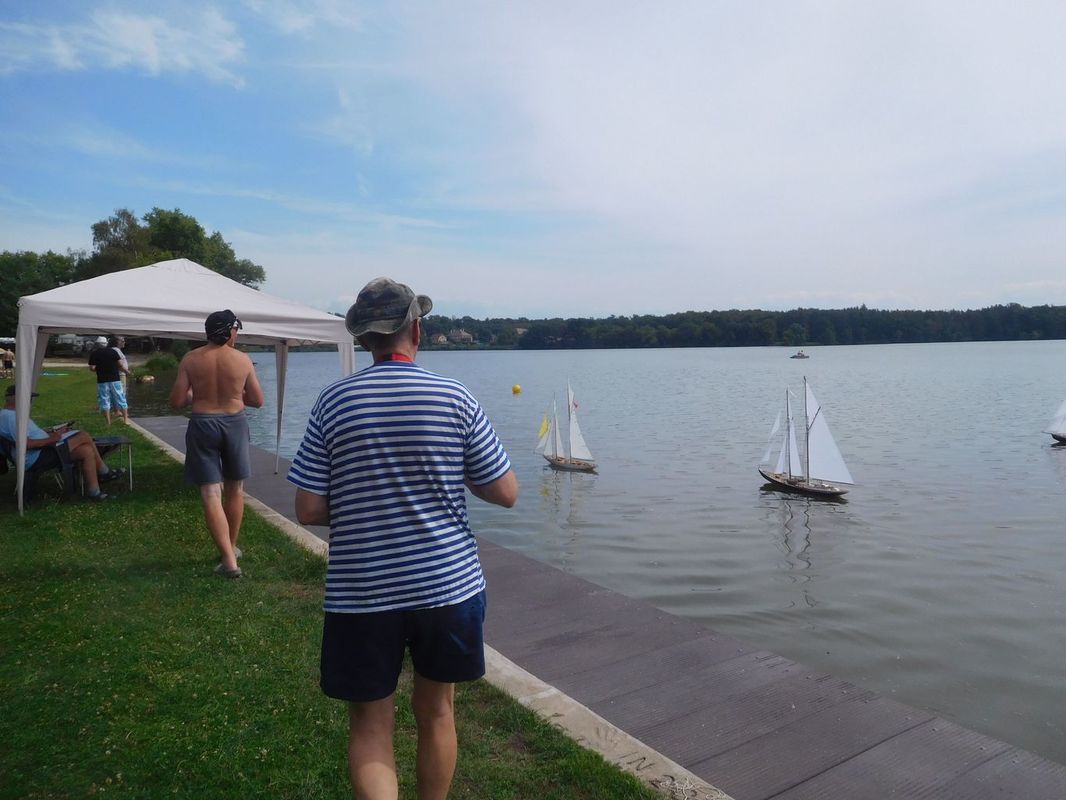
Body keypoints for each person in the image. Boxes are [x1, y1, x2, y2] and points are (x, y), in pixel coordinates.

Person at [289, 278, 518, 800]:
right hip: (447, 586)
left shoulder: (333, 402)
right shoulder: (454, 396)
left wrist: (366, 503)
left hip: (363, 592)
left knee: (370, 726)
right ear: (416, 329)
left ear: (364, 337)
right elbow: (505, 492)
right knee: (437, 712)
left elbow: (308, 508)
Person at [169, 310, 264, 579]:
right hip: (235, 423)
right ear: (230, 331)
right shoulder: (242, 360)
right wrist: (234, 395)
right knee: (235, 488)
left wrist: (195, 394)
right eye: (236, 330)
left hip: (203, 423)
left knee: (211, 492)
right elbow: (257, 401)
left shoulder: (191, 359)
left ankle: (229, 559)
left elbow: (177, 401)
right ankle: (230, 548)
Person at [0, 384, 124, 500]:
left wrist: (53, 432)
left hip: (43, 450)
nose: (30, 401)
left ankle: (94, 492)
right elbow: (27, 444)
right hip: (37, 456)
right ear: (17, 398)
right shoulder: (12, 418)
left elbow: (29, 436)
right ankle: (104, 472)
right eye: (28, 398)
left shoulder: (10, 415)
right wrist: (52, 439)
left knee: (86, 450)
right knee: (83, 436)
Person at [88, 336, 130, 425]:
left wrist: (100, 368)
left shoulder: (94, 353)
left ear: (97, 344)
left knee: (105, 400)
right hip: (115, 379)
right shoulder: (113, 351)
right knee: (121, 397)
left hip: (102, 380)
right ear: (106, 343)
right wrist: (127, 372)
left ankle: (108, 422)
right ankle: (126, 420)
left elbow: (92, 368)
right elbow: (120, 365)